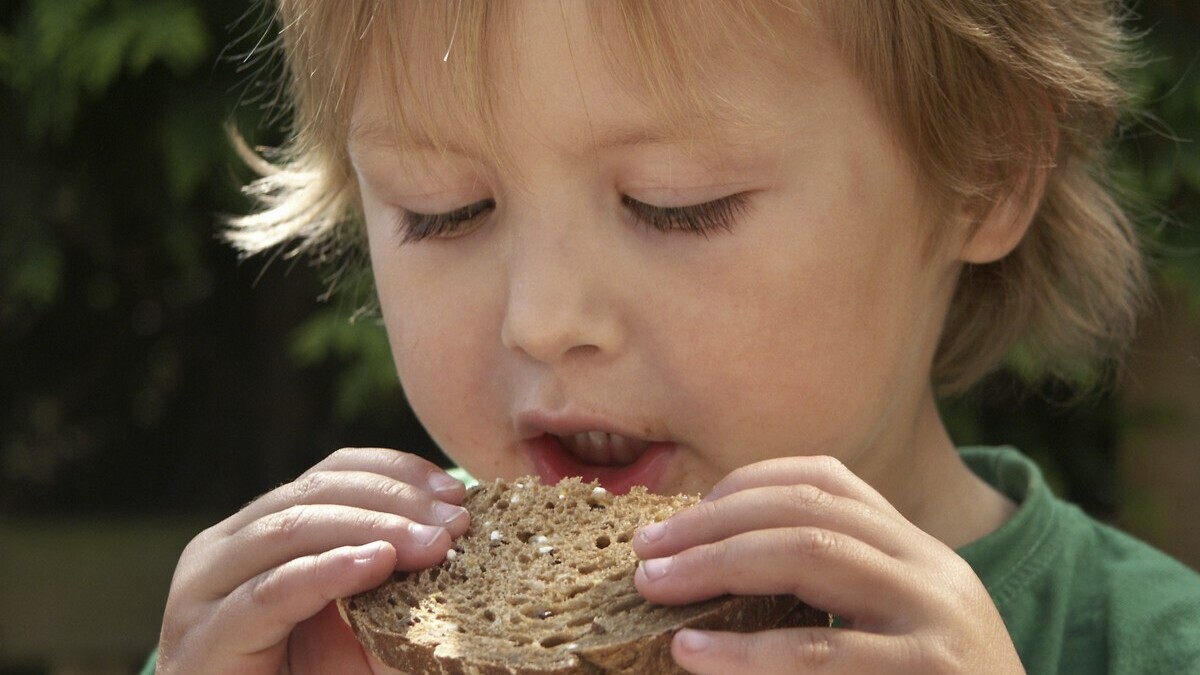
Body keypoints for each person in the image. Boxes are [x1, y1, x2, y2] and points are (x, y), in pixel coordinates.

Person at [148, 1, 1200, 673]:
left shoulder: (1150, 646)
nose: (544, 322)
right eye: (442, 210)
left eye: (676, 205)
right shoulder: (311, 644)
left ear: (986, 173)